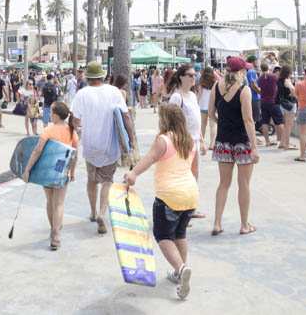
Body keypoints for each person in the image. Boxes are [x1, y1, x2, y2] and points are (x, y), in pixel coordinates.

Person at [124, 104, 198, 300]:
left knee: (163, 235)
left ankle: (181, 269)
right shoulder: (190, 140)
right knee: (180, 234)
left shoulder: (163, 140)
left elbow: (148, 159)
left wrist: (133, 174)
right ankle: (179, 271)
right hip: (190, 193)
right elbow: (194, 169)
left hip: (169, 195)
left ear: (164, 120)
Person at [71, 62, 134, 235]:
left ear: (88, 78)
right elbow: (126, 117)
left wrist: (80, 128)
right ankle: (102, 213)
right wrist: (131, 140)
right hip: (110, 144)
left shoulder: (82, 94)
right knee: (107, 180)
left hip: (90, 144)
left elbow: (75, 120)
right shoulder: (114, 91)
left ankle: (92, 212)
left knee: (92, 179)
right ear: (102, 76)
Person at [211, 57, 260, 235]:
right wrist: (254, 146)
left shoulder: (216, 88)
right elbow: (248, 120)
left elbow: (211, 114)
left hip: (223, 141)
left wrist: (224, 123)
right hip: (241, 142)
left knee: (223, 184)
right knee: (244, 184)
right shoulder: (244, 90)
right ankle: (244, 224)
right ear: (240, 72)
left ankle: (217, 222)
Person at [23, 101, 78, 250]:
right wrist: (72, 172)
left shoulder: (49, 130)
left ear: (54, 115)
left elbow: (37, 150)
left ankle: (53, 230)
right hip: (62, 170)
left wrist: (27, 169)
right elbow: (74, 155)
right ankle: (56, 235)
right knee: (59, 203)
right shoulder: (72, 130)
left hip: (47, 171)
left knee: (50, 201)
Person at [167, 64, 205, 219]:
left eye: (194, 75)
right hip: (182, 141)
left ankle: (190, 208)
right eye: (190, 75)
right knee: (183, 175)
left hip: (194, 140)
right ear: (181, 77)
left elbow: (197, 121)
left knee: (194, 174)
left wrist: (202, 140)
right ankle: (180, 210)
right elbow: (169, 120)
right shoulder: (177, 97)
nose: (193, 78)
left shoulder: (193, 95)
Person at [256, 63, 282, 147]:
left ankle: (267, 141)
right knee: (279, 122)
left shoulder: (259, 79)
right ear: (269, 68)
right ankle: (280, 141)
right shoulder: (273, 77)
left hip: (263, 102)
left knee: (265, 122)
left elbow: (259, 88)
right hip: (273, 102)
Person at [275, 65, 297, 150]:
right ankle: (287, 145)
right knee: (289, 125)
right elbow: (293, 91)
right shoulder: (287, 80)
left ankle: (282, 143)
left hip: (282, 104)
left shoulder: (278, 80)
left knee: (285, 124)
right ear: (289, 73)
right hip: (290, 104)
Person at [198, 67, 215, 149]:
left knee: (203, 124)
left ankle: (201, 142)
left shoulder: (201, 82)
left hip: (203, 105)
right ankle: (212, 144)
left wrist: (196, 103)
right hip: (212, 106)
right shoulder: (215, 82)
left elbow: (199, 94)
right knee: (213, 125)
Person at [245, 55, 262, 139]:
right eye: (257, 60)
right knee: (254, 118)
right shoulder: (251, 71)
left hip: (252, 97)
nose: (258, 62)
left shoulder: (249, 71)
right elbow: (253, 85)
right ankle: (252, 137)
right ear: (253, 61)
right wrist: (260, 91)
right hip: (254, 97)